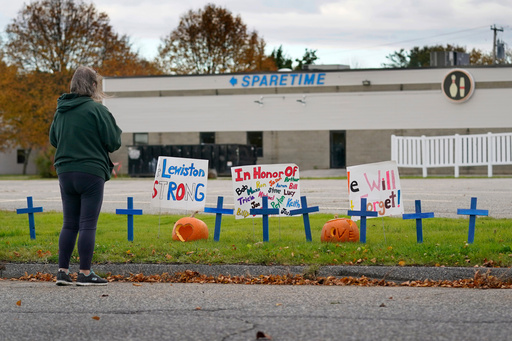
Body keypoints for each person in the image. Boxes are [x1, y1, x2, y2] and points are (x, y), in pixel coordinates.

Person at [50, 66, 122, 286]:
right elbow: (114, 141)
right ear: (92, 86)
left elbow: (54, 140)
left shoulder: (61, 110)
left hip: (65, 171)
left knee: (69, 223)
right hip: (90, 172)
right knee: (87, 224)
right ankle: (85, 272)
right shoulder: (97, 110)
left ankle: (62, 272)